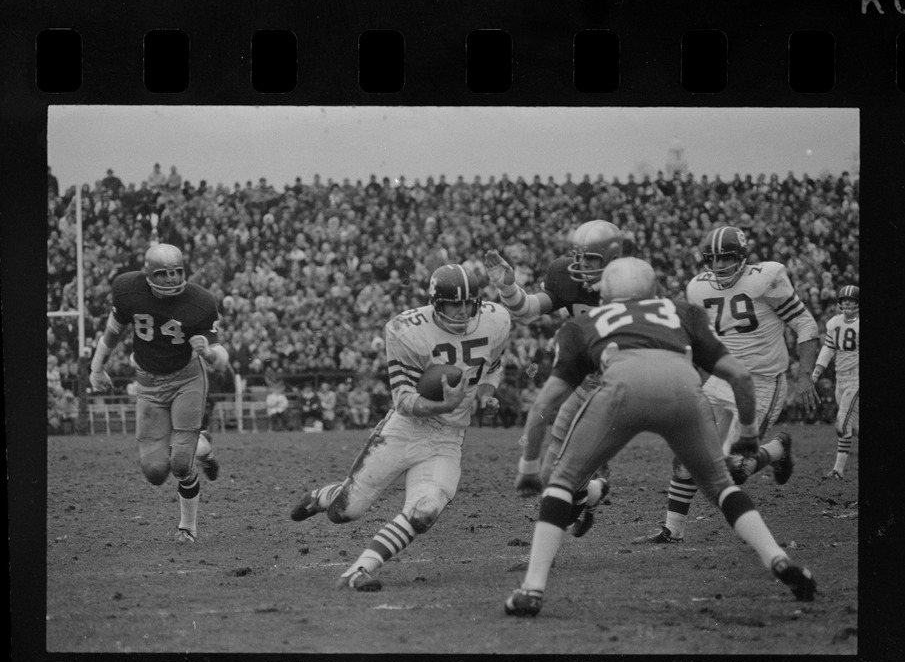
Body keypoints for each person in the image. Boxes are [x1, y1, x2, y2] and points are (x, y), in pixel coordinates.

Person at [504, 257, 817, 617]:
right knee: (721, 486)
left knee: (561, 481)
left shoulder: (583, 322)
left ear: (605, 291)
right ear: (653, 290)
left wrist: (528, 466)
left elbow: (545, 403)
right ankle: (777, 559)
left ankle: (532, 589)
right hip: (683, 388)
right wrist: (747, 433)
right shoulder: (684, 312)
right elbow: (741, 378)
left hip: (621, 390)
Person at [287, 264, 510, 591]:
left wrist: (488, 395)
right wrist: (443, 405)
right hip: (406, 429)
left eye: (468, 303)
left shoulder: (496, 320)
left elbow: (492, 365)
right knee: (345, 512)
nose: (463, 312)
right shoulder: (407, 330)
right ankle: (325, 496)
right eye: (454, 304)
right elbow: (404, 399)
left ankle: (361, 569)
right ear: (437, 303)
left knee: (426, 509)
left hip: (449, 437)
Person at [637, 225, 820, 544]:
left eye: (727, 258)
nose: (720, 266)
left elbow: (804, 324)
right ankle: (672, 530)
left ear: (742, 258)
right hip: (722, 379)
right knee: (688, 451)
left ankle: (778, 449)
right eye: (714, 259)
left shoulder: (767, 278)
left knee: (733, 467)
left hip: (762, 381)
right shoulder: (698, 287)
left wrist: (804, 375)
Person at [484, 219, 624, 538]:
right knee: (552, 475)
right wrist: (508, 286)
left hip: (621, 388)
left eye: (591, 260)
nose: (580, 266)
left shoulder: (633, 287)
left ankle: (544, 558)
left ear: (614, 263)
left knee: (565, 476)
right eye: (579, 256)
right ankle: (593, 492)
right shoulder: (566, 277)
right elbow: (528, 310)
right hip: (584, 381)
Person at [89, 243, 228, 544]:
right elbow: (112, 333)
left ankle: (187, 527)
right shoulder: (128, 290)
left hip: (187, 379)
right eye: (164, 274)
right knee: (154, 472)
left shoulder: (200, 301)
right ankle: (201, 446)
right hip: (149, 383)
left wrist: (211, 355)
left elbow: (221, 359)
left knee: (180, 463)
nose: (172, 279)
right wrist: (97, 368)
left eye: (177, 272)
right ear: (149, 274)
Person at [811, 285, 859, 480]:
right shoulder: (834, 323)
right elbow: (828, 350)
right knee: (854, 426)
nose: (847, 305)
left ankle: (838, 470)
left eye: (851, 302)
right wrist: (815, 373)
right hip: (841, 378)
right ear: (839, 303)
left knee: (842, 424)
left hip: (857, 378)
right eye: (844, 302)